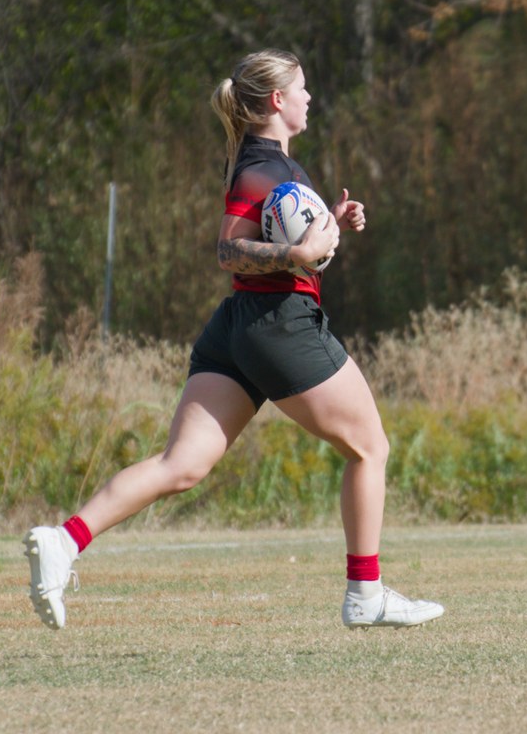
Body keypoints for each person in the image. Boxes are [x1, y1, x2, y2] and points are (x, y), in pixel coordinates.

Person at [24, 48, 444, 630]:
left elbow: (283, 239)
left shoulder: (267, 164)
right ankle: (365, 594)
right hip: (280, 323)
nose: (309, 98)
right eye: (302, 88)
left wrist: (330, 221)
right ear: (277, 101)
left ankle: (64, 541)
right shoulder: (262, 168)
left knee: (182, 465)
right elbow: (230, 249)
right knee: (370, 448)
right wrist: (296, 252)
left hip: (240, 326)